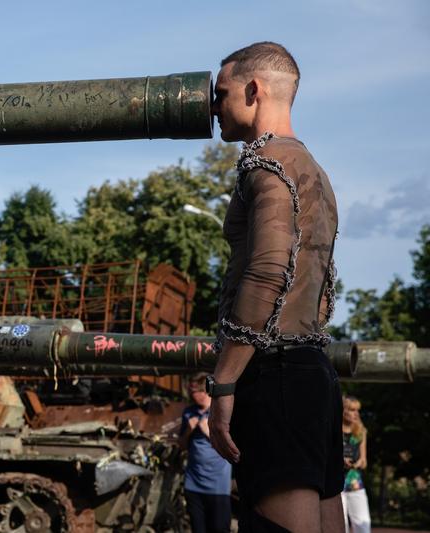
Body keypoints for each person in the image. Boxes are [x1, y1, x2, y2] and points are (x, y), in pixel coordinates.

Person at [205, 42, 344, 533]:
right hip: (314, 374)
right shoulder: (316, 172)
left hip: (275, 375)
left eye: (220, 94)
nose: (214, 107)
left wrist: (223, 383)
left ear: (253, 89)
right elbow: (323, 290)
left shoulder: (266, 166)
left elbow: (266, 271)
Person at [179, 373, 232, 533]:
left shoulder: (221, 413)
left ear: (204, 392)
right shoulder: (189, 413)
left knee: (219, 529)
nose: (190, 394)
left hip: (217, 486)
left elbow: (232, 448)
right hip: (193, 484)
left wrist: (209, 432)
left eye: (193, 391)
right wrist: (188, 431)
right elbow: (181, 446)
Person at [341, 396, 371, 533]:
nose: (356, 414)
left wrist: (359, 462)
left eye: (357, 410)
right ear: (343, 411)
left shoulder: (360, 432)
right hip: (336, 485)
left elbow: (364, 461)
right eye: (352, 410)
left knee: (363, 525)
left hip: (355, 483)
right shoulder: (332, 430)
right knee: (341, 526)